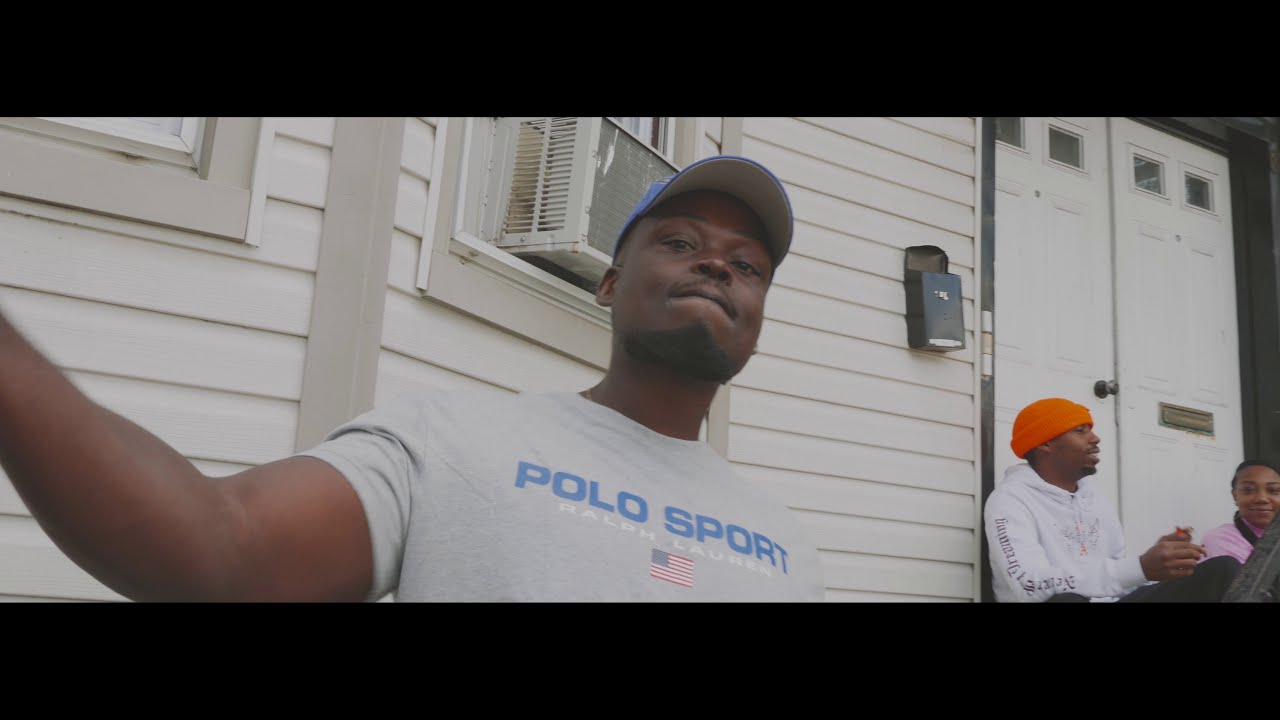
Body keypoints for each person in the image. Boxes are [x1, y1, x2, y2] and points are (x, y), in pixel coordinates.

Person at [0, 154, 825, 602]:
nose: (718, 264)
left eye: (748, 265)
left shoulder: (789, 546)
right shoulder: (452, 443)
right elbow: (219, 549)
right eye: (680, 242)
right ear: (608, 285)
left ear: (757, 319)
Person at [984, 397, 1239, 602]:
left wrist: (1155, 566)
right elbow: (1028, 586)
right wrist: (1139, 567)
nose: (1095, 439)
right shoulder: (1010, 501)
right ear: (1046, 444)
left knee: (1222, 570)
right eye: (1080, 431)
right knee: (1067, 600)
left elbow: (1118, 581)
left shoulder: (1093, 497)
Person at [1200, 460, 1280, 564]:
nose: (1262, 498)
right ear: (1235, 495)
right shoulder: (1220, 540)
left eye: (1273, 490)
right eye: (1248, 490)